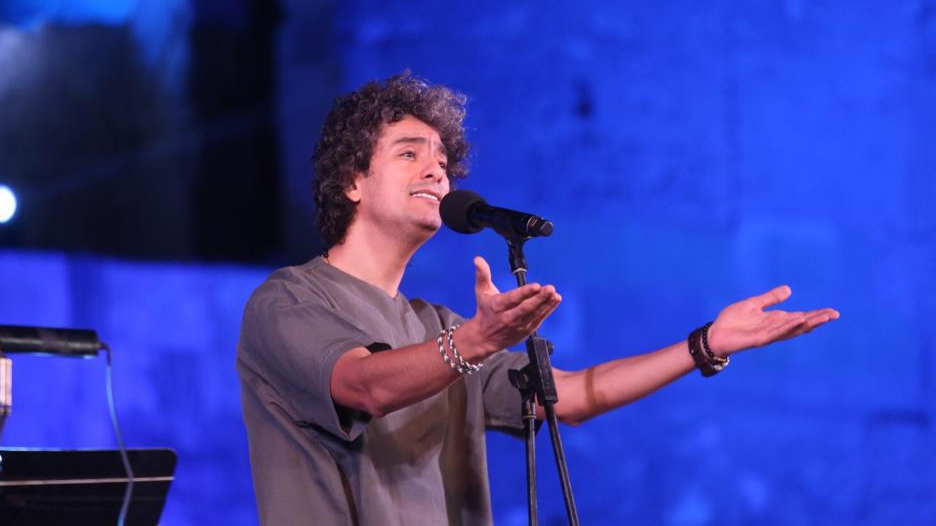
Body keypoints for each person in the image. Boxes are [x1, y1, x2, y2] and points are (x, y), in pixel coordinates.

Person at [236, 73, 839, 525]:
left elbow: (566, 397)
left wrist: (704, 344)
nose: (438, 172)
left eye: (443, 161)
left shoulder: (432, 325)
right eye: (409, 153)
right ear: (352, 180)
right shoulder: (287, 301)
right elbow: (364, 385)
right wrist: (474, 341)